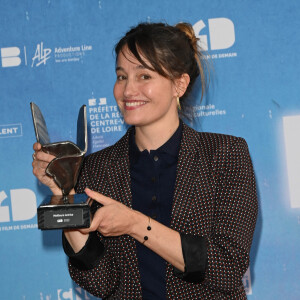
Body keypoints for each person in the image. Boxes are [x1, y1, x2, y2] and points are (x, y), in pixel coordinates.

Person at [32, 22, 258, 299]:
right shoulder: (95, 169)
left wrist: (135, 224)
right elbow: (103, 283)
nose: (128, 91)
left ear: (179, 84)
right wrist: (65, 196)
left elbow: (227, 267)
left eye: (144, 76)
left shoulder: (224, 154)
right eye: (121, 76)